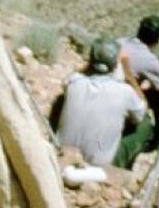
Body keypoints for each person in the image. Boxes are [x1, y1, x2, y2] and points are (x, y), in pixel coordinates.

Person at [55, 38, 147, 167]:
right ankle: (117, 167)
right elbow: (141, 113)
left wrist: (89, 65)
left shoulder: (74, 82)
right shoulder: (126, 92)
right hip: (98, 163)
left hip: (63, 154)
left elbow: (67, 81)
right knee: (145, 124)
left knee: (61, 100)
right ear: (116, 65)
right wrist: (129, 74)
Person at [114, 14, 159, 168]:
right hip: (117, 103)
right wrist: (152, 85)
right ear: (158, 40)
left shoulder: (119, 42)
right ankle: (117, 164)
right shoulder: (148, 60)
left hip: (100, 94)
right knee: (145, 129)